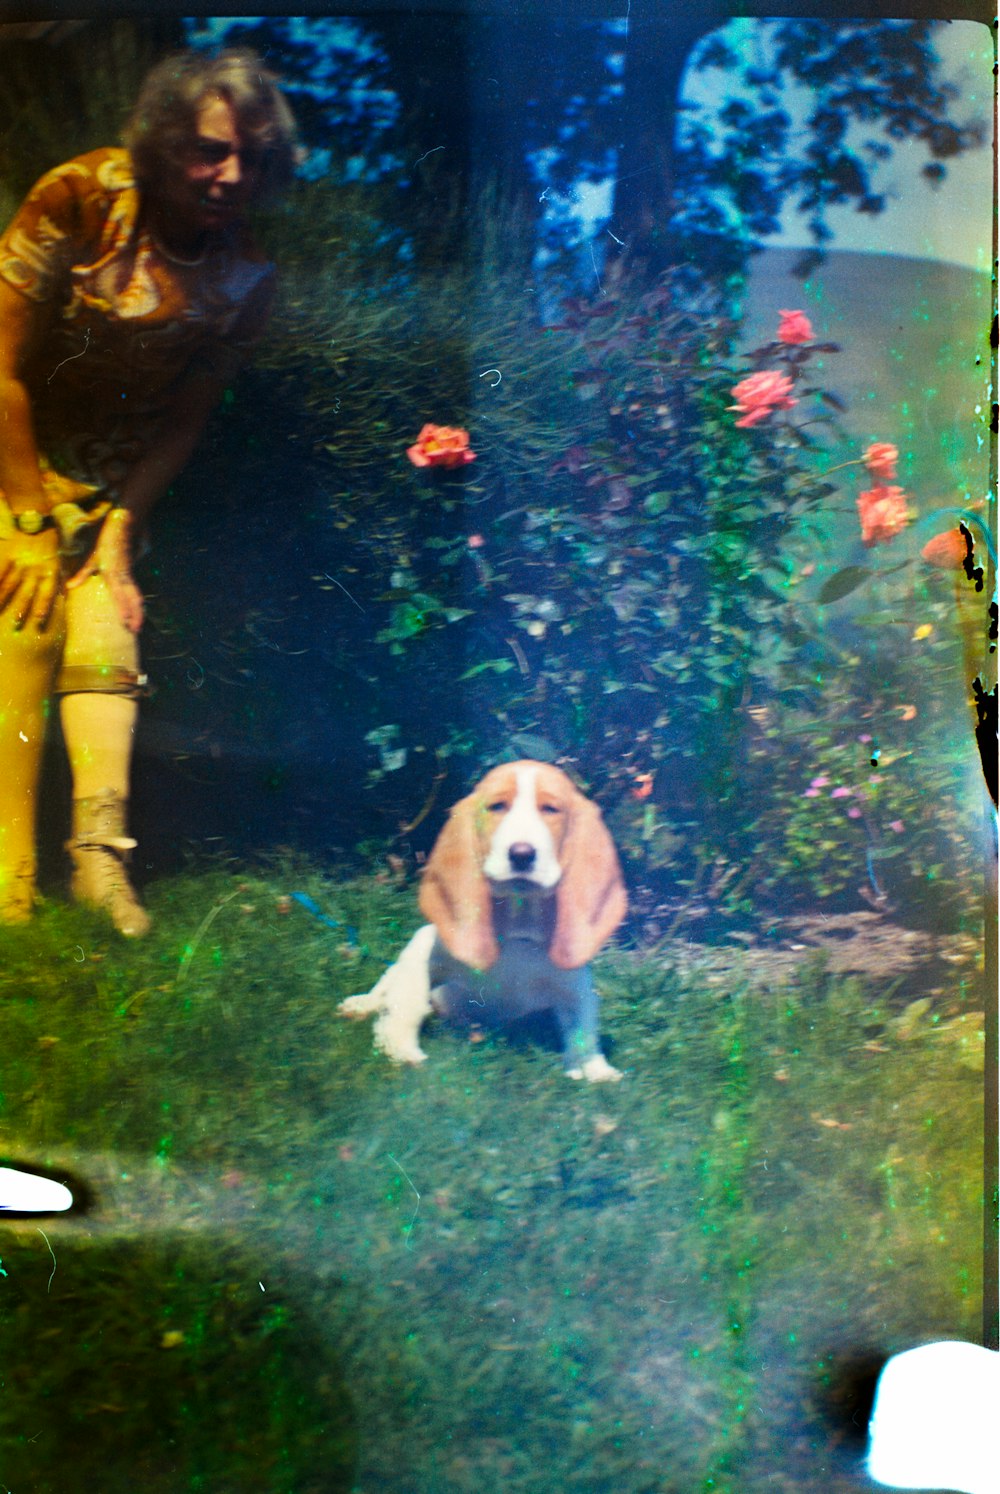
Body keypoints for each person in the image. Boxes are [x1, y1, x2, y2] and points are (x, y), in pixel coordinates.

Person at [0, 49, 298, 934]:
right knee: (23, 615)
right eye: (209, 151)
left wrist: (119, 530)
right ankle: (8, 866)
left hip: (100, 485)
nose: (229, 176)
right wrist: (24, 524)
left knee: (105, 626)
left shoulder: (248, 275)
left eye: (249, 157)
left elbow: (182, 422)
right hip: (8, 457)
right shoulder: (79, 198)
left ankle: (99, 863)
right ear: (164, 143)